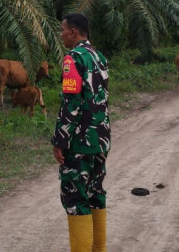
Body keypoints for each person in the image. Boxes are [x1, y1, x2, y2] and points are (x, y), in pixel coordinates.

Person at [52, 13, 110, 252]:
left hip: (79, 142)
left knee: (76, 198)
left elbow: (71, 103)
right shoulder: (99, 56)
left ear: (73, 32)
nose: (61, 34)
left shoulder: (72, 59)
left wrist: (60, 140)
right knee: (95, 193)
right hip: (101, 138)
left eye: (63, 30)